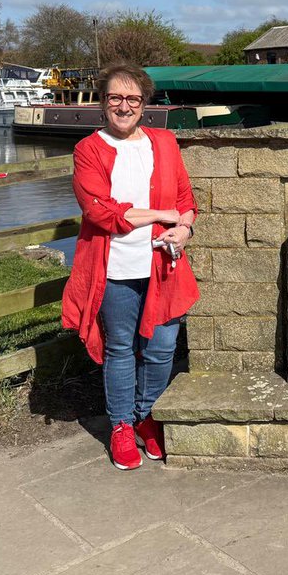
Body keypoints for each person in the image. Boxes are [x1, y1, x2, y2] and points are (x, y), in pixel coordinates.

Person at [61, 63, 199, 470]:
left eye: (133, 99)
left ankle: (146, 416)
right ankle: (121, 424)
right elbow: (101, 213)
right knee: (121, 348)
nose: (124, 106)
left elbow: (186, 199)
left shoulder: (165, 142)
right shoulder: (88, 150)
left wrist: (184, 228)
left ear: (144, 103)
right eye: (115, 98)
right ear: (102, 103)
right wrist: (160, 214)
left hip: (163, 264)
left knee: (161, 348)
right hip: (115, 268)